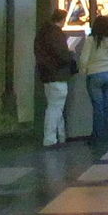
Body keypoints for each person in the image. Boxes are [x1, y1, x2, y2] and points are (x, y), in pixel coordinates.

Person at [33, 8, 77, 147]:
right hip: (58, 74)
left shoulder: (42, 32)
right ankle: (50, 138)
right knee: (55, 108)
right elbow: (61, 55)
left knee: (56, 106)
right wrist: (70, 52)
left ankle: (61, 135)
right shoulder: (56, 34)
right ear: (63, 20)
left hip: (47, 75)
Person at [77, 13, 108, 148]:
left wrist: (83, 71)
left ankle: (97, 136)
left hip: (95, 74)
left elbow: (84, 58)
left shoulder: (91, 40)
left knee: (98, 108)